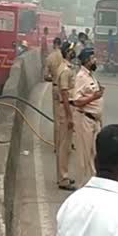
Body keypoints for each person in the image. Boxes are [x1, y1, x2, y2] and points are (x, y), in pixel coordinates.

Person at [72, 48, 105, 187]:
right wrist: (94, 96)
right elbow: (76, 101)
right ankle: (82, 186)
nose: (95, 60)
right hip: (85, 119)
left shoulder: (90, 76)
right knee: (84, 156)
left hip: (94, 121)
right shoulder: (80, 77)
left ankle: (92, 184)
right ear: (86, 61)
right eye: (92, 58)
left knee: (94, 154)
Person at [55, 43, 77, 191]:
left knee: (66, 145)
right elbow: (64, 93)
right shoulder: (65, 71)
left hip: (66, 107)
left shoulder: (67, 68)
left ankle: (63, 175)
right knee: (64, 146)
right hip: (65, 108)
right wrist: (70, 117)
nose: (74, 52)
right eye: (72, 50)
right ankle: (63, 178)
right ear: (68, 52)